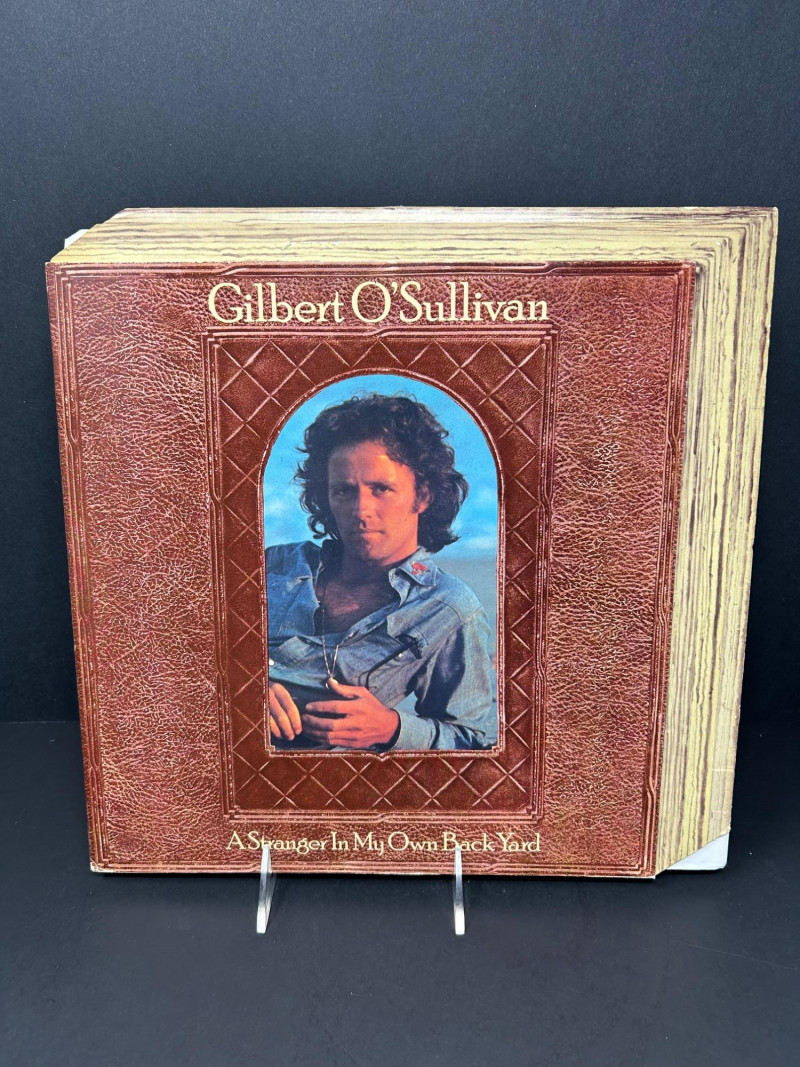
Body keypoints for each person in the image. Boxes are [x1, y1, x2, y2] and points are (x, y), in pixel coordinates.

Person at [265, 392, 496, 752]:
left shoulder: (447, 610)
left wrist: (392, 729)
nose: (361, 510)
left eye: (381, 489)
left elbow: (477, 742)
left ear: (422, 496)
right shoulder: (274, 567)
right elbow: (186, 655)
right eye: (344, 491)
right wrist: (242, 690)